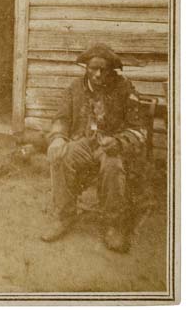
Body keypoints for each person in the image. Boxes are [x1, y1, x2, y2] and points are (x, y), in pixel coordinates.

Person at [41, 43, 147, 252]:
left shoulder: (124, 88)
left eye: (103, 70)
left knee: (112, 166)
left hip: (112, 145)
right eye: (92, 69)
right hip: (84, 142)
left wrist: (118, 142)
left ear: (111, 70)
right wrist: (58, 138)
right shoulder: (74, 87)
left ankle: (113, 224)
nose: (97, 75)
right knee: (61, 155)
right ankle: (64, 217)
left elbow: (139, 129)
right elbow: (61, 117)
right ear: (86, 68)